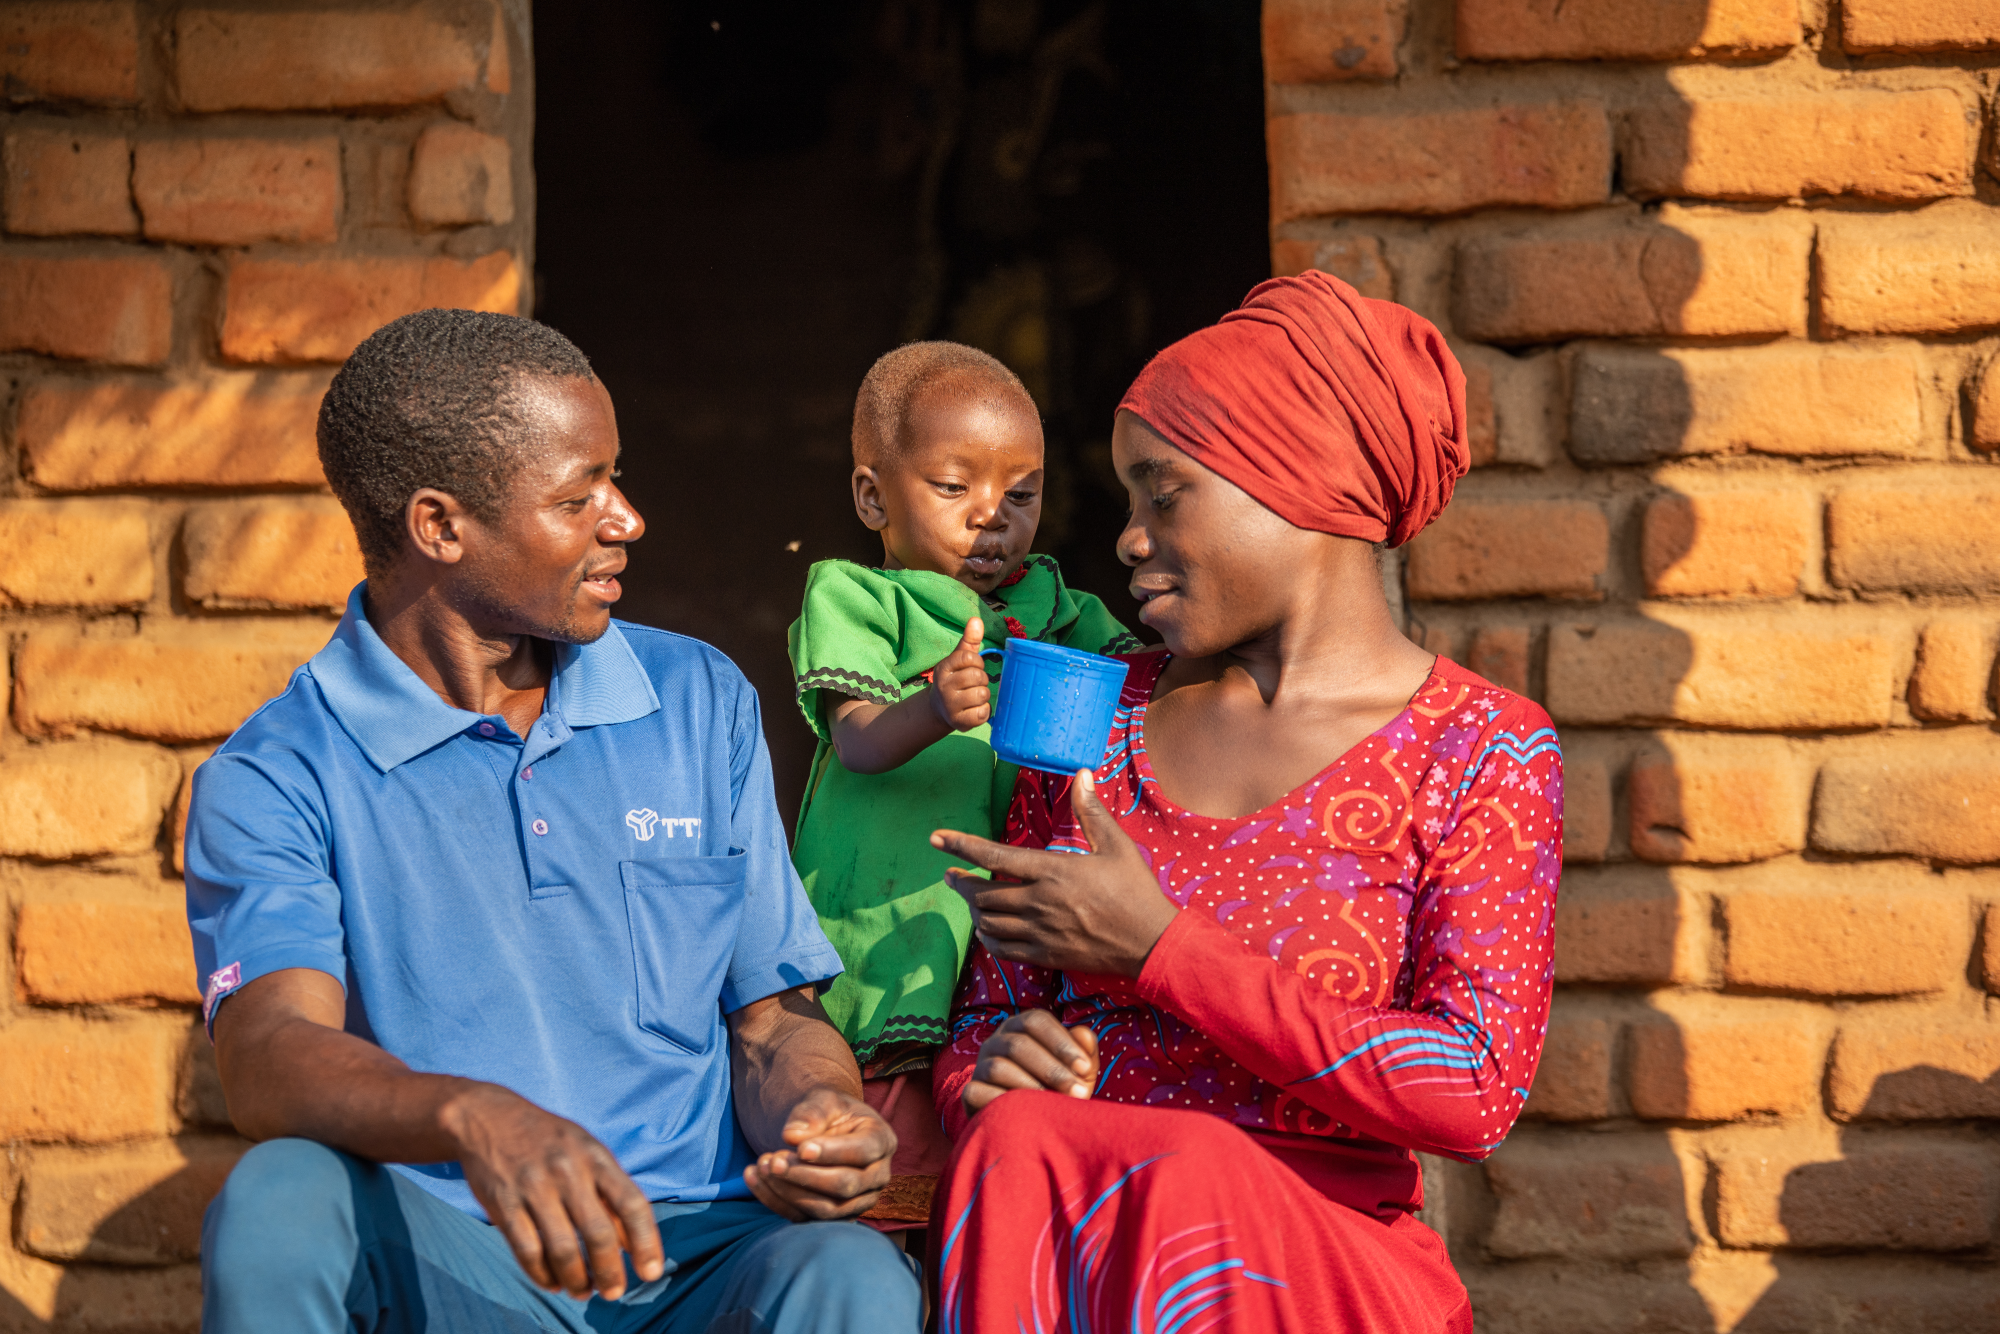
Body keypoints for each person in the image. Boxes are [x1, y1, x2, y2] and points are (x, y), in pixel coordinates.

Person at [186, 309, 921, 1334]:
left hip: (696, 1251)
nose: (625, 519)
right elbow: (269, 1052)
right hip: (456, 1250)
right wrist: (473, 1113)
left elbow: (768, 1021)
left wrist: (816, 1114)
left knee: (850, 1274)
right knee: (279, 1200)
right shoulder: (278, 770)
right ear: (439, 526)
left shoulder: (695, 698)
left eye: (612, 481)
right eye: (578, 498)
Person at [925, 272, 1562, 1332]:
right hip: (1078, 1257)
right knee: (1022, 1144)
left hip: (1320, 1267)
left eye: (1162, 491)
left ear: (1298, 480)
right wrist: (985, 1074)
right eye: (1128, 499)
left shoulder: (1475, 746)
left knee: (1181, 1170)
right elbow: (988, 1010)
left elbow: (1470, 1086)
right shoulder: (1093, 714)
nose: (1127, 537)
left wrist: (1160, 949)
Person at [786, 341, 1138, 1224]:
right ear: (874, 496)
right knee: (892, 1170)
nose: (993, 520)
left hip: (1010, 936)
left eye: (1021, 497)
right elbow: (859, 742)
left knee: (995, 1160)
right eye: (955, 490)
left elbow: (1149, 687)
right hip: (891, 906)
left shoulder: (1057, 606)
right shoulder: (860, 600)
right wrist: (932, 709)